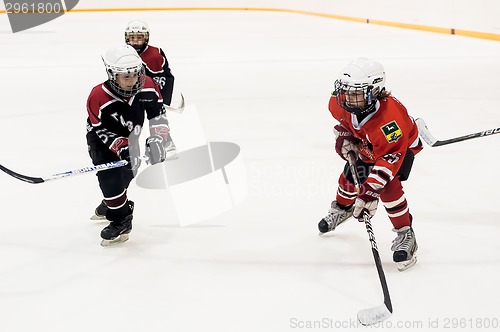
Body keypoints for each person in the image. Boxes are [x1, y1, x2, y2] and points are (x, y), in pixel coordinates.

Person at [318, 58, 423, 271]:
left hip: (399, 148)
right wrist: (345, 137)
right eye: (345, 91)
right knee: (351, 175)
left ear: (374, 91)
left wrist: (369, 192)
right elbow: (346, 124)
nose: (347, 98)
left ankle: (406, 233)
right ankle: (343, 208)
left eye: (355, 93)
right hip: (372, 142)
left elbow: (390, 158)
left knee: (389, 186)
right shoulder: (340, 103)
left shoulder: (389, 121)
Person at [86, 45, 171, 246]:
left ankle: (111, 203)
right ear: (111, 74)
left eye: (136, 73)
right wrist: (120, 146)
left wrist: (158, 139)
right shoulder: (98, 96)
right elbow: (99, 128)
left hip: (132, 136)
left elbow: (158, 116)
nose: (133, 80)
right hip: (101, 140)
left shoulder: (148, 85)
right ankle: (121, 220)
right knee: (110, 178)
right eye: (126, 76)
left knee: (126, 176)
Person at [125, 20, 177, 160]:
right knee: (129, 123)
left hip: (152, 95)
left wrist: (164, 99)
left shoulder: (155, 54)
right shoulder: (123, 54)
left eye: (139, 37)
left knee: (157, 119)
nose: (135, 41)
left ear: (146, 37)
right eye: (132, 37)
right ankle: (127, 149)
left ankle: (165, 143)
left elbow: (166, 78)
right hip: (132, 96)